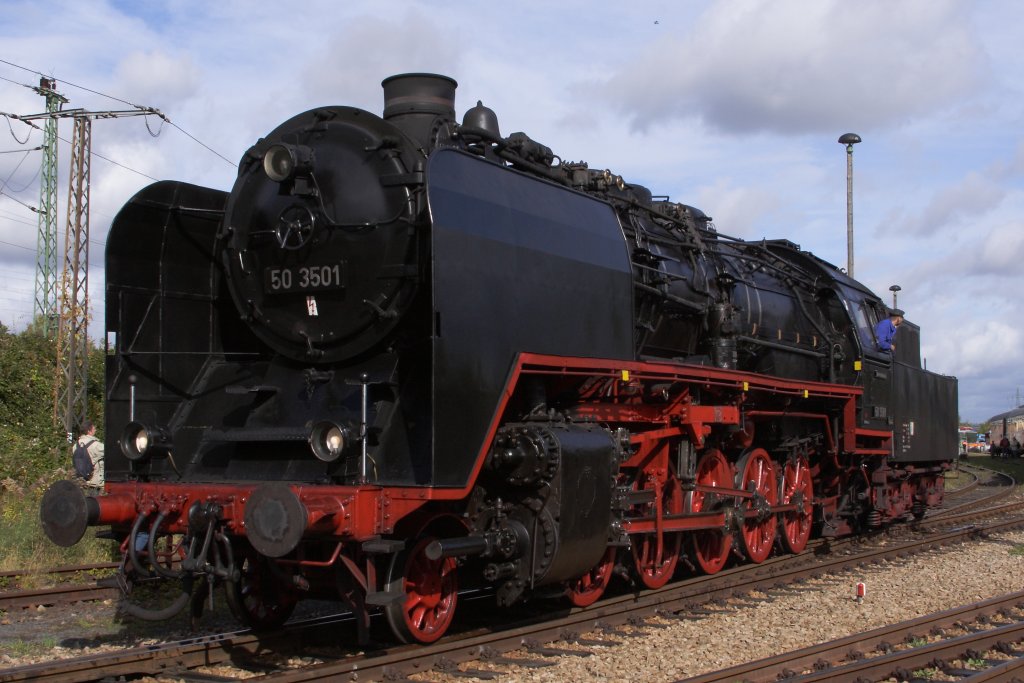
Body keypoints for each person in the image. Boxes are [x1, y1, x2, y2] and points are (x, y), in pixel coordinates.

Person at [76, 419, 105, 493]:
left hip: (82, 481)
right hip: (95, 482)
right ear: (89, 431)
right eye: (94, 429)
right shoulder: (96, 445)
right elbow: (110, 452)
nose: (95, 430)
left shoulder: (76, 445)